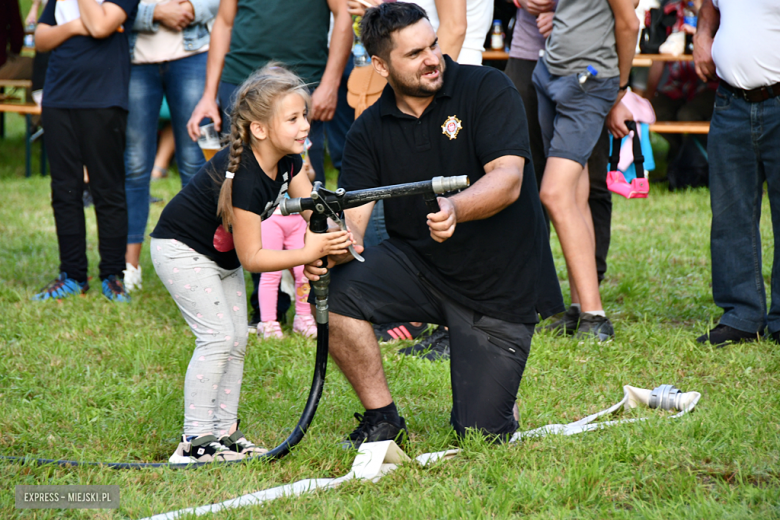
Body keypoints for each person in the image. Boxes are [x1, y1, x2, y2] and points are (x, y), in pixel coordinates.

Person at [305, 2, 563, 447]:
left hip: (497, 287)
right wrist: (325, 252)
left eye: (434, 45)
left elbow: (508, 179)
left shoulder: (487, 87)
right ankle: (382, 417)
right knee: (337, 287)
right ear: (381, 65)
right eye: (414, 54)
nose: (432, 59)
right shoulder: (368, 130)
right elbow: (355, 228)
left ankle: (494, 391)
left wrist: (457, 208)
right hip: (420, 269)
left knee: (481, 436)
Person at [150, 65, 353, 463]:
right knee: (218, 338)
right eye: (292, 119)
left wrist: (328, 240)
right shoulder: (244, 175)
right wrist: (309, 253)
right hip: (181, 251)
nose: (304, 126)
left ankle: (223, 435)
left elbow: (313, 211)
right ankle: (194, 441)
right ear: (259, 129)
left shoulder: (291, 161)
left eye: (304, 116)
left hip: (218, 257)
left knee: (238, 339)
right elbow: (253, 257)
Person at [185, 0, 352, 333]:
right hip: (242, 81)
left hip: (303, 83)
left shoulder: (298, 121)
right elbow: (224, 23)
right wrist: (209, 93)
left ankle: (312, 306)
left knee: (305, 198)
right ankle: (267, 311)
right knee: (248, 203)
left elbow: (344, 13)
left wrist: (331, 82)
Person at [530, 0, 639, 340]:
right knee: (574, 194)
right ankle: (579, 308)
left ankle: (595, 316)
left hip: (589, 83)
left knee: (554, 192)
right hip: (552, 74)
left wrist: (619, 89)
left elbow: (629, 24)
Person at [32, 0, 139, 302]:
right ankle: (73, 274)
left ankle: (112, 275)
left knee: (108, 189)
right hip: (59, 96)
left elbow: (102, 26)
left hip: (104, 98)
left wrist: (80, 25)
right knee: (64, 189)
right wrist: (76, 26)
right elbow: (41, 39)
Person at [693, 0, 780, 347]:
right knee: (729, 214)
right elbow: (710, 8)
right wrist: (702, 35)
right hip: (730, 101)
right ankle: (741, 316)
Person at [122, 0, 218, 293]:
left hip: (194, 55)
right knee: (136, 164)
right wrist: (156, 13)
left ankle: (203, 260)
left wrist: (190, 7)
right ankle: (129, 266)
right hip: (135, 59)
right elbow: (109, 9)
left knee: (197, 165)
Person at [256, 208, 318, 339]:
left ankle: (303, 317)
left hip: (298, 215)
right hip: (271, 216)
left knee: (303, 271)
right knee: (271, 271)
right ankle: (268, 323)